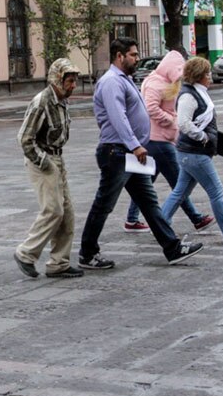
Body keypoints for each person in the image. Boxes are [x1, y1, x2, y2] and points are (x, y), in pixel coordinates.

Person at [78, 38, 204, 268]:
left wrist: (135, 147)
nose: (137, 59)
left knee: (148, 202)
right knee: (104, 204)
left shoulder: (124, 80)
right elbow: (118, 117)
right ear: (119, 56)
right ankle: (87, 253)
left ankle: (173, 248)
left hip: (130, 153)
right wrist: (135, 144)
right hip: (117, 152)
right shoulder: (111, 82)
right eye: (133, 55)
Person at [162, 57, 223, 244]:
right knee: (216, 191)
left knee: (180, 192)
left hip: (190, 153)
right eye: (207, 73)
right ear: (199, 76)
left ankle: (160, 224)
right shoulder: (189, 95)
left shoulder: (195, 92)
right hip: (195, 153)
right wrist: (202, 137)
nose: (210, 77)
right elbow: (184, 123)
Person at [123, 51, 214, 234]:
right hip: (158, 140)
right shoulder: (156, 83)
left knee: (145, 182)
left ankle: (132, 219)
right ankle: (195, 218)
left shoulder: (164, 82)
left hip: (159, 139)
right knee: (179, 181)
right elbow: (150, 108)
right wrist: (172, 120)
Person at [13, 58, 85, 279]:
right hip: (43, 160)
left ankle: (59, 263)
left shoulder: (61, 100)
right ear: (57, 79)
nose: (73, 85)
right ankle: (26, 253)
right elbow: (24, 138)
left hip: (57, 158)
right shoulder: (41, 101)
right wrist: (44, 163)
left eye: (74, 81)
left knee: (67, 214)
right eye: (70, 81)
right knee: (53, 210)